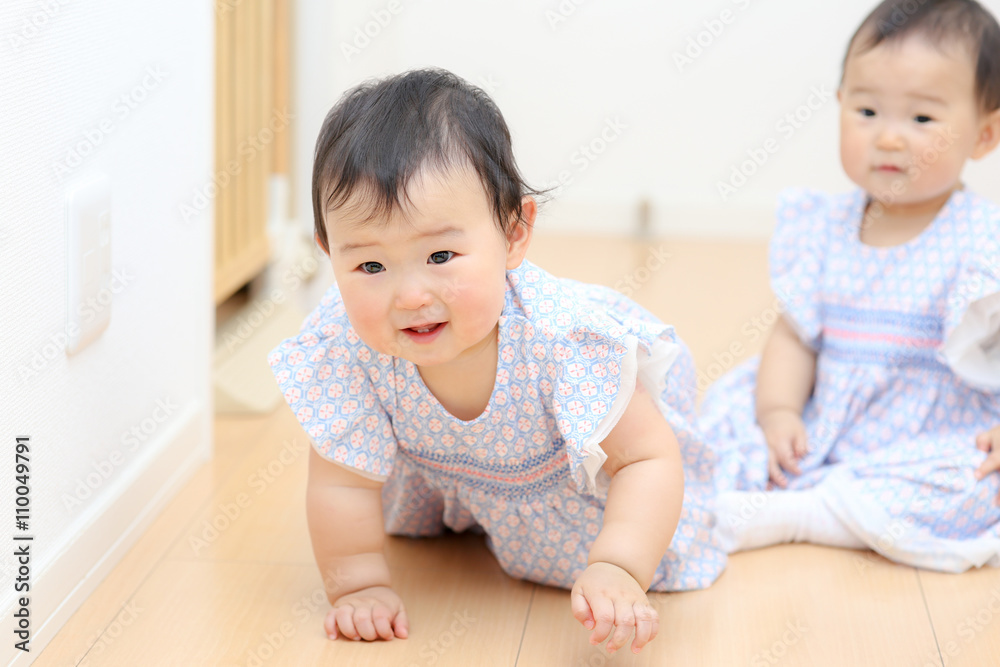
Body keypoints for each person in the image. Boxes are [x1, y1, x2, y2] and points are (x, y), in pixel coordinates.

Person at [267, 68, 725, 654]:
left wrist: (620, 566)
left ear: (513, 234)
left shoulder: (559, 342)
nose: (410, 296)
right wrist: (358, 586)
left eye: (440, 255)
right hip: (458, 484)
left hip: (590, 511)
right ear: (330, 253)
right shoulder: (347, 346)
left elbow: (647, 459)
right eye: (370, 266)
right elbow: (341, 481)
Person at [701, 0, 1000, 572]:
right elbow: (796, 336)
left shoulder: (985, 241)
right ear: (840, 104)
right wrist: (780, 412)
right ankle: (700, 493)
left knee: (977, 480)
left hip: (933, 436)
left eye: (921, 119)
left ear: (984, 134)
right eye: (866, 111)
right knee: (725, 422)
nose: (888, 138)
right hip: (825, 417)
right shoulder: (822, 226)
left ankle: (807, 515)